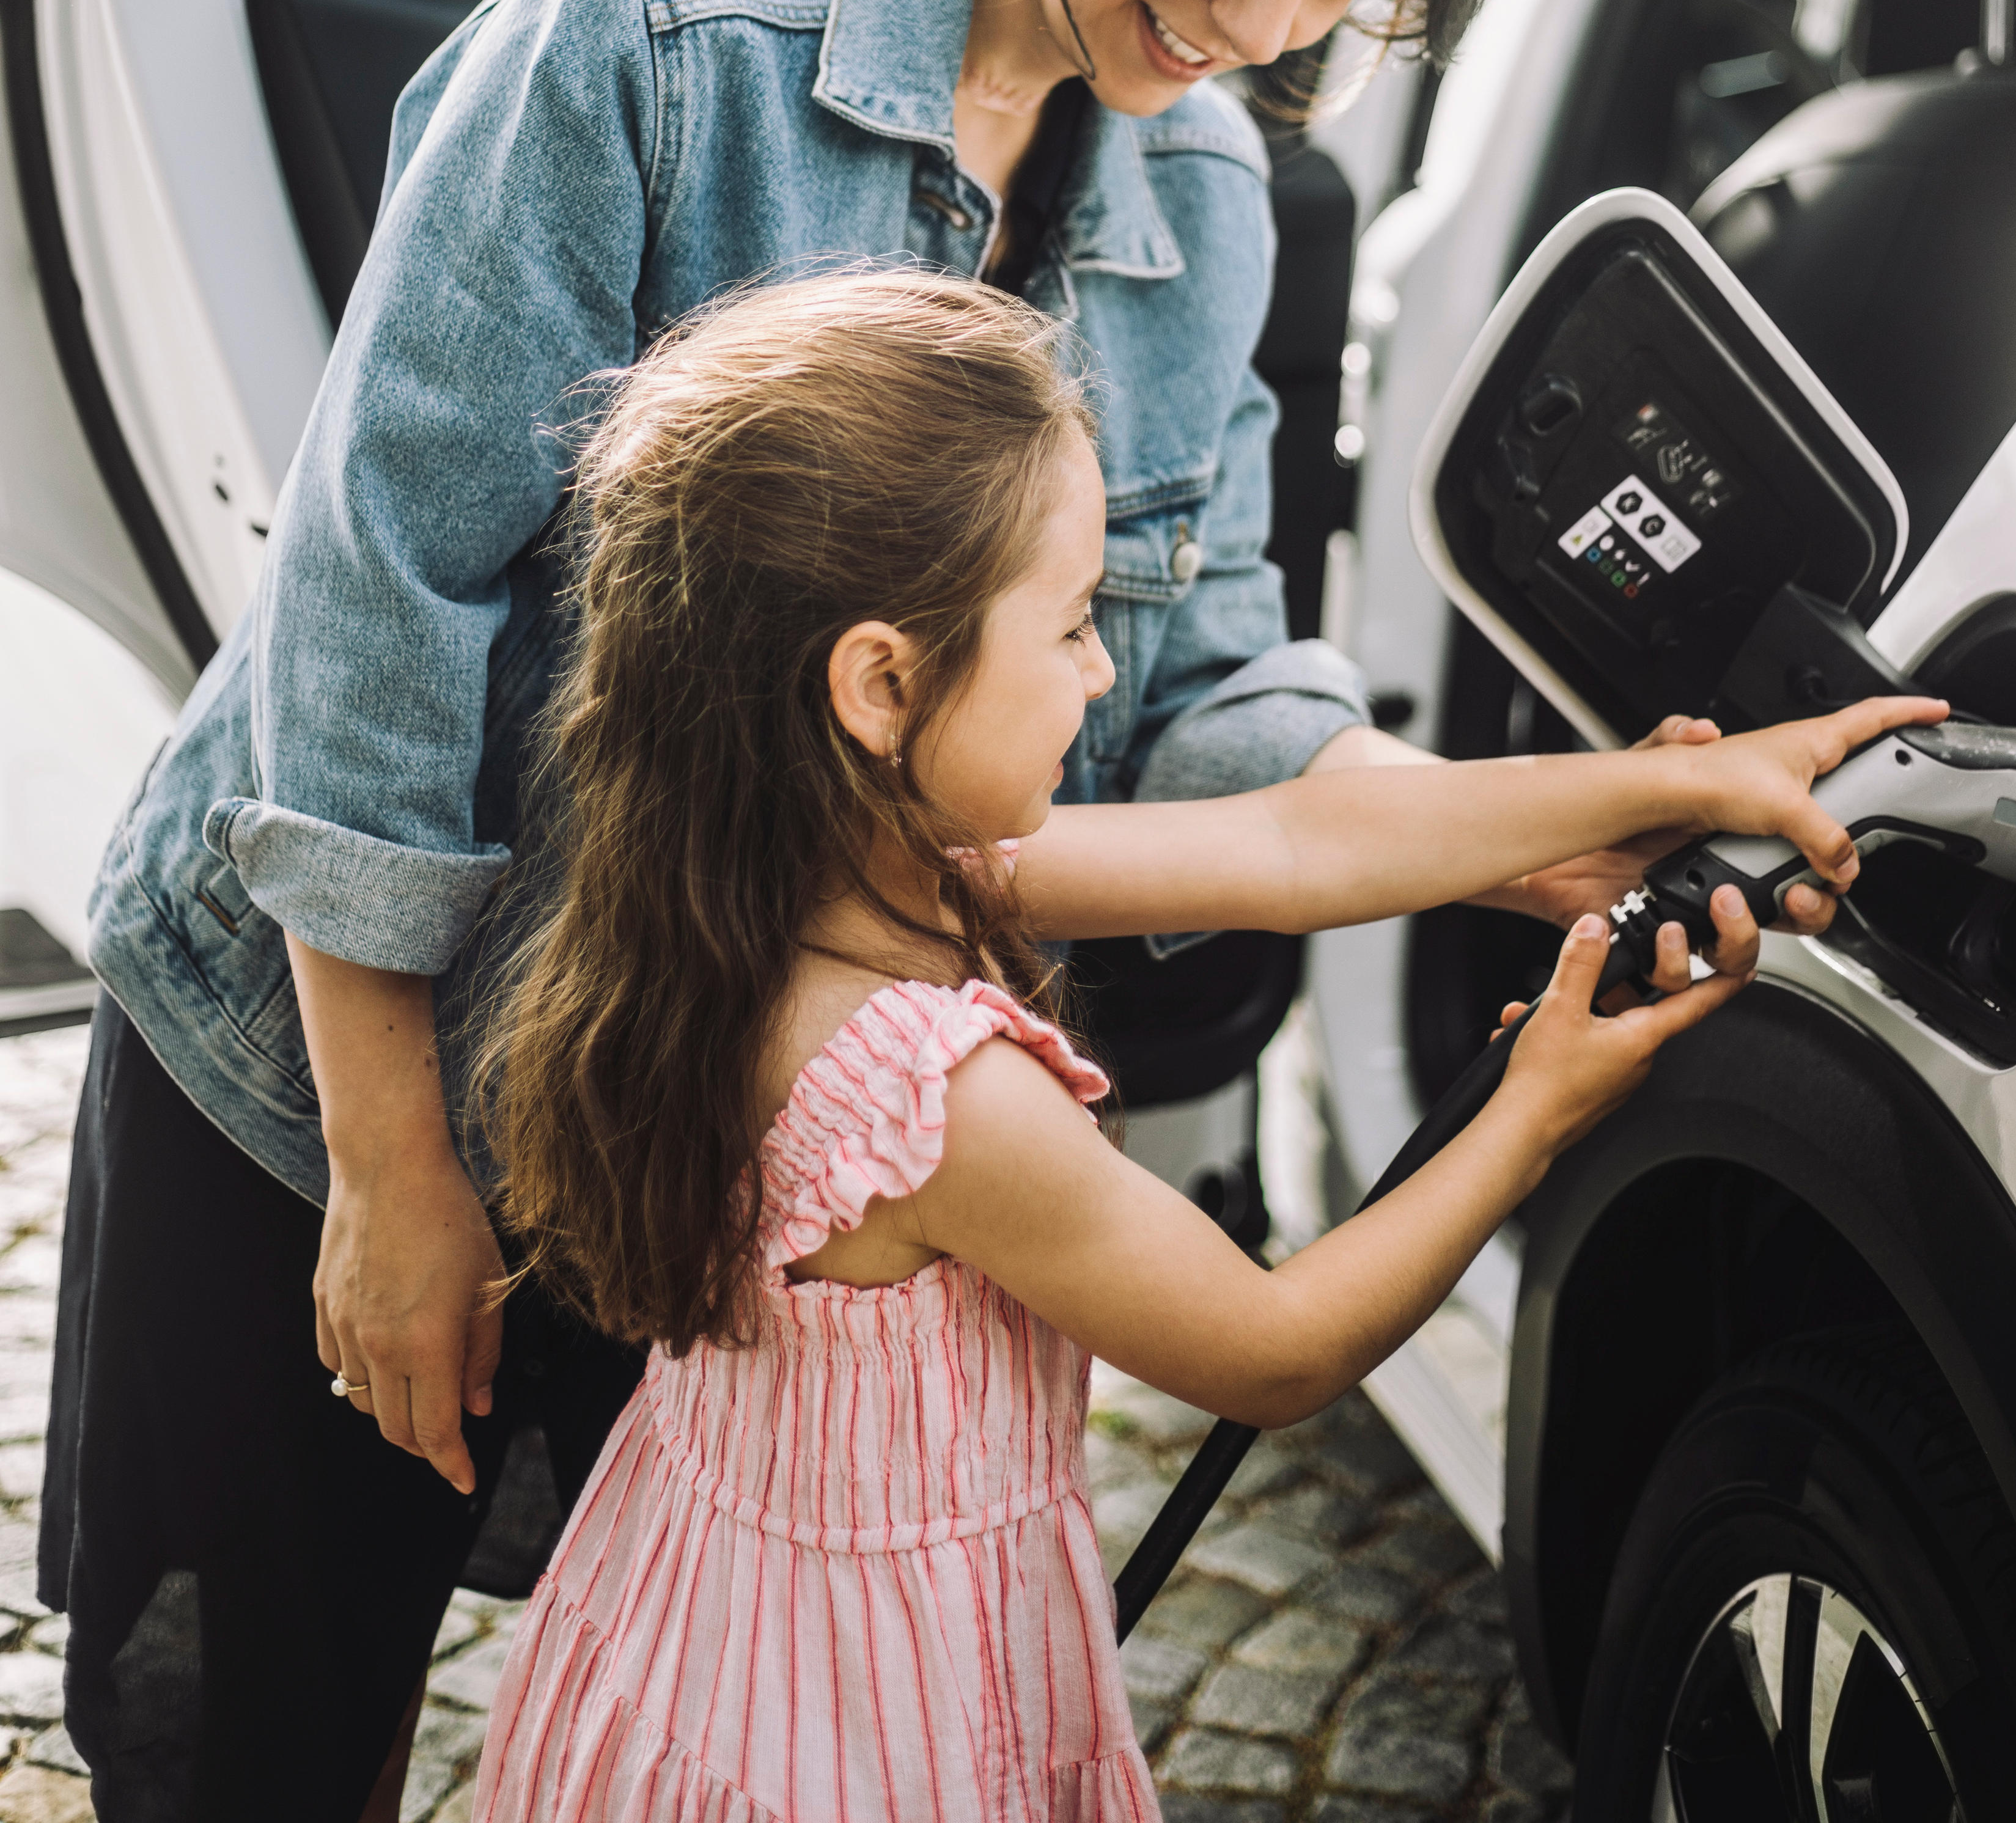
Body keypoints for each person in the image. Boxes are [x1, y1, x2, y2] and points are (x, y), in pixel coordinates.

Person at [42, 0, 1853, 1822]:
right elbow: (374, 610)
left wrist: (1464, 830)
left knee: (660, 1626)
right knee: (267, 1703)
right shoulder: (647, 30)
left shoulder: (1207, 187)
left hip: (691, 1078)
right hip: (331, 1043)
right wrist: (391, 1165)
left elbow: (1195, 679)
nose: (1262, 24)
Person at [466, 273, 1928, 1822]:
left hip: (710, 1644)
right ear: (881, 683)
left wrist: (1650, 795)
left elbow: (1296, 842)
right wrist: (1533, 1111)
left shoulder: (761, 895)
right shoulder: (935, 1095)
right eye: (1076, 622)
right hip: (865, 1737)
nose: (1104, 674)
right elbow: (1271, 1346)